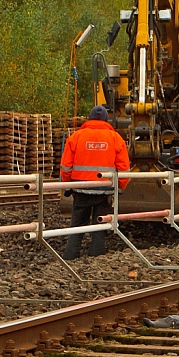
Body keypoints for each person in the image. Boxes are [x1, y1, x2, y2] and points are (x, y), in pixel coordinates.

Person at [60, 105, 131, 259]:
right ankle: (96, 255)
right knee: (101, 225)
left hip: (80, 189)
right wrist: (120, 187)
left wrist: (68, 186)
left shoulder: (76, 137)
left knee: (77, 226)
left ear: (89, 119)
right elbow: (124, 168)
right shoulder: (115, 138)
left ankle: (71, 255)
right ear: (106, 120)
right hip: (104, 190)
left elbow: (66, 167)